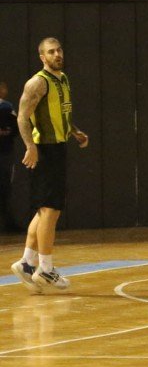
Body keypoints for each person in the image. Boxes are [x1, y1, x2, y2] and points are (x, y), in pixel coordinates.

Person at [9, 38, 89, 292]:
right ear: (42, 57)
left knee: (45, 210)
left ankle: (27, 262)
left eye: (59, 50)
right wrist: (30, 147)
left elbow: (61, 113)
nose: (57, 54)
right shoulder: (37, 82)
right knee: (50, 211)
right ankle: (45, 269)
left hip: (58, 147)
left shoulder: (62, 78)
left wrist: (74, 131)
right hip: (44, 150)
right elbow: (22, 117)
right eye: (51, 52)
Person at [0, 80, 18, 233]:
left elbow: (15, 129)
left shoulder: (8, 108)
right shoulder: (7, 108)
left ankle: (8, 223)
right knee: (5, 188)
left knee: (5, 188)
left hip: (6, 153)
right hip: (5, 153)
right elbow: (15, 129)